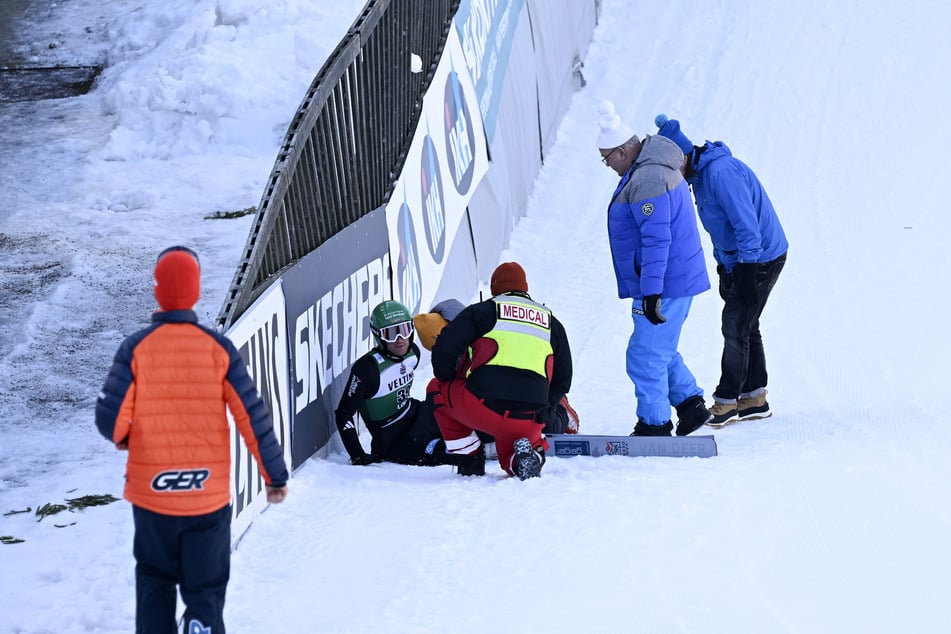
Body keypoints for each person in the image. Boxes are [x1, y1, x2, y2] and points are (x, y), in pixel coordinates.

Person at [95, 245, 289, 634]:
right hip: (207, 498)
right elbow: (252, 417)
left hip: (153, 497)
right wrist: (274, 476)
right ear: (197, 292)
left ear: (157, 291)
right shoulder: (218, 350)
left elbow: (109, 420)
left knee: (155, 581)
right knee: (205, 590)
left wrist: (128, 438)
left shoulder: (135, 349)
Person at [655, 114, 788, 426]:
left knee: (735, 325)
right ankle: (754, 397)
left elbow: (746, 226)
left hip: (761, 256)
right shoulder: (699, 179)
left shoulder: (720, 173)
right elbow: (720, 230)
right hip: (741, 259)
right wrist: (725, 268)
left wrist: (745, 270)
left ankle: (727, 401)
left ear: (682, 158)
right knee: (745, 324)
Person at [596, 100, 712, 437]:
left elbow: (656, 240)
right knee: (658, 347)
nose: (609, 167)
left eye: (607, 160)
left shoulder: (648, 178)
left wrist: (650, 293)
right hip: (675, 279)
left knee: (645, 355)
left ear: (621, 151)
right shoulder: (650, 166)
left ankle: (654, 423)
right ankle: (690, 405)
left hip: (666, 283)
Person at [428, 262, 573, 479]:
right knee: (513, 449)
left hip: (484, 408)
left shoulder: (483, 310)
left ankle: (470, 459)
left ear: (494, 289)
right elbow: (564, 378)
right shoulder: (552, 322)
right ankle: (528, 456)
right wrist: (547, 407)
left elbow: (445, 346)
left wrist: (450, 379)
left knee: (437, 390)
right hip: (530, 417)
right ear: (525, 288)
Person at [415, 299, 580, 435]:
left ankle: (561, 411)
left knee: (542, 424)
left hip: (527, 389)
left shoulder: (484, 330)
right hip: (496, 397)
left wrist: (551, 400)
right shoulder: (464, 337)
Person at [335, 299, 460, 467]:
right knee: (449, 451)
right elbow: (343, 414)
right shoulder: (368, 369)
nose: (400, 339)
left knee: (462, 417)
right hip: (392, 438)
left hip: (415, 415)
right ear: (378, 336)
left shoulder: (413, 353)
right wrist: (357, 454)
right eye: (391, 334)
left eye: (404, 330)